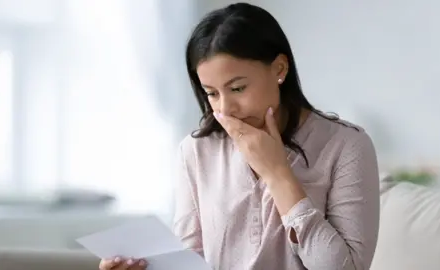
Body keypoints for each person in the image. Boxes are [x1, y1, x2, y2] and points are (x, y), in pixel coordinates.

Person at [99, 2, 380, 270]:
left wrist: (277, 173)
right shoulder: (196, 151)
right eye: (211, 93)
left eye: (237, 88)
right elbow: (190, 260)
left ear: (280, 69)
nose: (225, 108)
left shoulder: (347, 146)